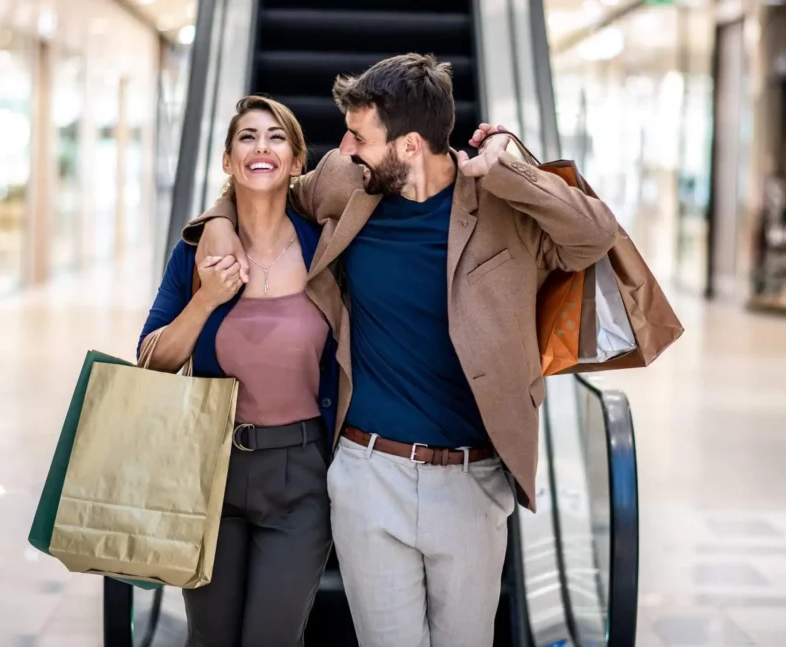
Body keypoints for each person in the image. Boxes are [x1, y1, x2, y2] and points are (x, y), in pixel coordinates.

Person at [185, 54, 620, 647]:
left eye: (359, 136)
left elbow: (594, 236)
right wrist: (214, 220)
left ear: (410, 145)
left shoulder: (501, 209)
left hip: (473, 479)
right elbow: (262, 185)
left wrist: (510, 170)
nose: (345, 146)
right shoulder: (349, 183)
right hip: (369, 475)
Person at [137, 95, 340, 647]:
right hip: (212, 467)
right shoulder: (197, 252)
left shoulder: (327, 253)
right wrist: (204, 301)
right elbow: (151, 360)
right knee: (210, 638)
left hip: (301, 474)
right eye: (247, 137)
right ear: (228, 161)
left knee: (273, 639)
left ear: (298, 162)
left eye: (276, 138)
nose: (261, 147)